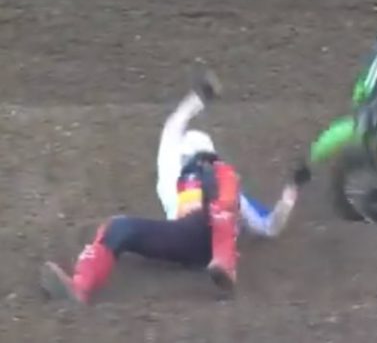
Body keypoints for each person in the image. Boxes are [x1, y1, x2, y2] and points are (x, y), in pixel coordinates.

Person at [40, 69, 311, 304]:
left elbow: (270, 227)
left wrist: (293, 187)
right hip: (191, 237)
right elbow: (269, 226)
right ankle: (79, 287)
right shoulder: (185, 176)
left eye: (208, 160)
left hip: (201, 240)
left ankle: (224, 261)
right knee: (116, 227)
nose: (203, 164)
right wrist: (199, 97)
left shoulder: (222, 183)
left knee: (220, 181)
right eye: (200, 159)